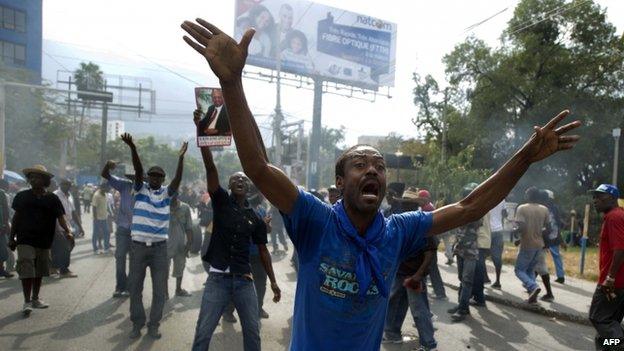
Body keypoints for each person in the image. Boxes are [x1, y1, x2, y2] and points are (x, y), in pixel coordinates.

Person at [180, 20, 580, 349]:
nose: (372, 170)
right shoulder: (316, 220)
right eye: (360, 164)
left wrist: (525, 156)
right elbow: (259, 167)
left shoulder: (397, 232)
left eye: (379, 166)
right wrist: (232, 84)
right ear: (340, 181)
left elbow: (470, 207)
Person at [191, 109, 281, 351]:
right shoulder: (220, 202)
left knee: (253, 334)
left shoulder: (255, 217)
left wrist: (273, 282)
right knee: (203, 333)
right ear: (229, 186)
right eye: (235, 179)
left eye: (244, 180)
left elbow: (263, 251)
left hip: (244, 281)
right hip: (218, 279)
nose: (240, 181)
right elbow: (210, 168)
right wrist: (201, 130)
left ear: (249, 187)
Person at [121, 132, 188, 339]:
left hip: (160, 248)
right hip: (139, 246)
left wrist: (181, 157)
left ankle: (153, 325)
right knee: (135, 289)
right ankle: (137, 323)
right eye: (153, 175)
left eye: (160, 176)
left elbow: (177, 179)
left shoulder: (167, 193)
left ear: (163, 179)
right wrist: (133, 148)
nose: (156, 178)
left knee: (160, 291)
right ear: (147, 177)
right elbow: (138, 168)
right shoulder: (140, 189)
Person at [8, 165, 74, 315]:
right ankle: (27, 301)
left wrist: (68, 232)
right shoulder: (22, 196)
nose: (33, 179)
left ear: (44, 180)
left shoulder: (52, 198)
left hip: (44, 240)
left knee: (39, 270)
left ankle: (36, 298)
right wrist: (12, 238)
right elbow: (16, 218)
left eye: (37, 177)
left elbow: (60, 217)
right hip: (25, 239)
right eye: (31, 177)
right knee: (27, 267)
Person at [383, 194, 438, 350]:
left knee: (419, 310)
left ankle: (428, 344)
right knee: (394, 304)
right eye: (404, 204)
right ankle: (392, 334)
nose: (405, 207)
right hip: (400, 272)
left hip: (415, 274)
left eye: (408, 205)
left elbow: (430, 254)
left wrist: (418, 275)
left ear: (414, 206)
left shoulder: (423, 224)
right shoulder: (402, 223)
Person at [588, 184, 624, 350]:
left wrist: (610, 278)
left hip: (614, 283)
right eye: (594, 197)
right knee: (608, 328)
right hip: (619, 282)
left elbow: (620, 250)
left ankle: (620, 344)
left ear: (611, 198)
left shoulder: (614, 217)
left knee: (599, 318)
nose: (595, 200)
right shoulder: (617, 215)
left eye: (599, 196)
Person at [447, 184, 483, 322]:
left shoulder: (477, 211)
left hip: (471, 251)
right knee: (462, 279)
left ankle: (462, 309)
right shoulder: (461, 209)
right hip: (460, 249)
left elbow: (475, 223)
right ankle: (462, 306)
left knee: (467, 280)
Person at [101, 161, 134, 298]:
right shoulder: (124, 185)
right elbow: (105, 174)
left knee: (134, 260)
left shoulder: (145, 188)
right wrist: (107, 166)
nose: (133, 179)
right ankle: (119, 286)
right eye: (131, 176)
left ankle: (130, 287)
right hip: (123, 228)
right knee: (119, 257)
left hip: (137, 231)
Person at [513, 186, 551, 304]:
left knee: (519, 270)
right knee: (530, 270)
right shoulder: (544, 209)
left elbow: (522, 227)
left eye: (526, 193)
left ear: (528, 196)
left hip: (527, 244)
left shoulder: (522, 208)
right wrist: (538, 233)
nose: (524, 195)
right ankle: (532, 296)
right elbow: (548, 228)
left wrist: (515, 231)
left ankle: (533, 287)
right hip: (539, 244)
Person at [416, 189, 447, 300]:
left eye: (421, 198)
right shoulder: (426, 207)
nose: (419, 200)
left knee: (432, 268)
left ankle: (440, 292)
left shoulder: (428, 209)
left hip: (430, 242)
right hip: (430, 242)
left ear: (426, 199)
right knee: (429, 268)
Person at [51, 179, 84, 278]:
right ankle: (64, 270)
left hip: (68, 225)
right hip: (57, 226)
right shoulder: (55, 195)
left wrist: (80, 227)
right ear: (60, 184)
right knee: (65, 247)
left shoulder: (69, 197)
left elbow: (73, 212)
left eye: (69, 185)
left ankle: (54, 266)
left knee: (69, 245)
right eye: (65, 184)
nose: (67, 186)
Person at [167, 194, 193, 297]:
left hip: (180, 244)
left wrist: (189, 244)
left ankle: (178, 289)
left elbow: (189, 227)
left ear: (178, 194)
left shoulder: (185, 208)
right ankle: (165, 292)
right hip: (165, 245)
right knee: (164, 269)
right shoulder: (163, 206)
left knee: (180, 267)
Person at [544, 189, 567, 284]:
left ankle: (533, 276)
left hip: (548, 235)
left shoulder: (545, 208)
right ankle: (560, 276)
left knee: (539, 256)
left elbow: (556, 222)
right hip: (554, 235)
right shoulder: (554, 208)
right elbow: (558, 222)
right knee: (556, 256)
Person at [488, 199, 508, 289]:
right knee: (497, 257)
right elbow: (505, 214)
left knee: (481, 255)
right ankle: (498, 281)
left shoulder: (486, 198)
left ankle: (484, 278)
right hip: (499, 230)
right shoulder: (502, 199)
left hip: (487, 231)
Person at [91, 183, 111, 254]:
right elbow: (94, 207)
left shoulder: (105, 194)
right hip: (98, 219)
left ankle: (106, 248)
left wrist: (110, 213)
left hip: (104, 218)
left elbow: (105, 206)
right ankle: (95, 249)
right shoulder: (96, 195)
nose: (109, 189)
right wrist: (95, 219)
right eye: (107, 188)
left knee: (107, 233)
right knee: (96, 234)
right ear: (103, 188)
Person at [0, 179, 13, 278]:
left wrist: (6, 224)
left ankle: (1, 270)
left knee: (3, 250)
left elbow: (5, 210)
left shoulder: (1, 194)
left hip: (1, 227)